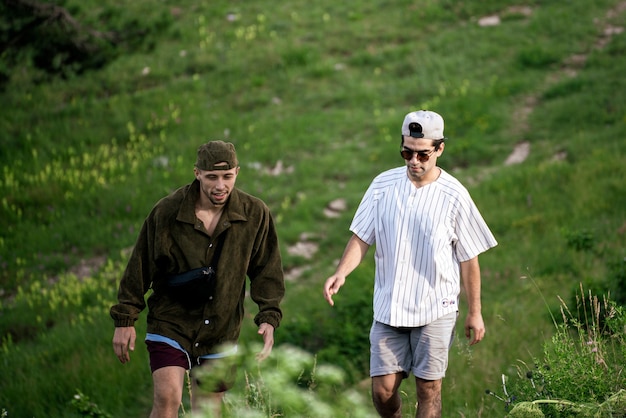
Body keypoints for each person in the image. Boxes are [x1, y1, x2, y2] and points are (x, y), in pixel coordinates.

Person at [323, 110, 497, 418]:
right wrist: (341, 273)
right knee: (382, 391)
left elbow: (469, 258)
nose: (414, 161)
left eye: (422, 154)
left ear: (439, 149)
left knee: (428, 390)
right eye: (407, 152)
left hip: (435, 307)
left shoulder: (454, 195)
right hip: (389, 306)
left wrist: (475, 312)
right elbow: (361, 237)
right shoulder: (382, 185)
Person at [111, 140, 285, 417]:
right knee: (167, 399)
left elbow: (267, 270)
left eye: (227, 177)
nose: (220, 185)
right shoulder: (168, 211)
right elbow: (140, 265)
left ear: (237, 173)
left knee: (206, 411)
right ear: (197, 174)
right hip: (171, 321)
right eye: (212, 177)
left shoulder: (255, 214)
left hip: (221, 328)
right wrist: (125, 319)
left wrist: (268, 317)